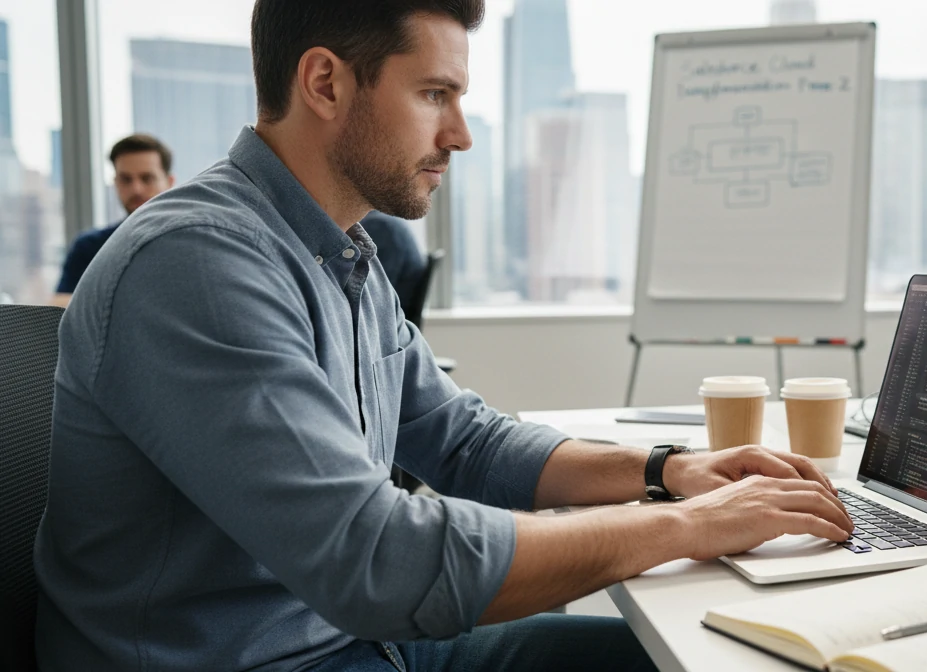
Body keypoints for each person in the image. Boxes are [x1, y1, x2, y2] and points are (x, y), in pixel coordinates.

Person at [33, 2, 853, 671]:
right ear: (324, 82)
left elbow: (464, 441)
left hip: (358, 642)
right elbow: (375, 560)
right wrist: (685, 525)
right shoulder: (197, 264)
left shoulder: (341, 252)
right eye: (434, 94)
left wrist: (667, 473)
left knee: (716, 661)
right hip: (265, 658)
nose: (460, 133)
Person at [50, 134, 175, 307]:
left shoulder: (188, 240)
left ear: (169, 182)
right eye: (126, 179)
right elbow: (59, 305)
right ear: (115, 182)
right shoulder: (90, 246)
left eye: (147, 178)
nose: (136, 189)